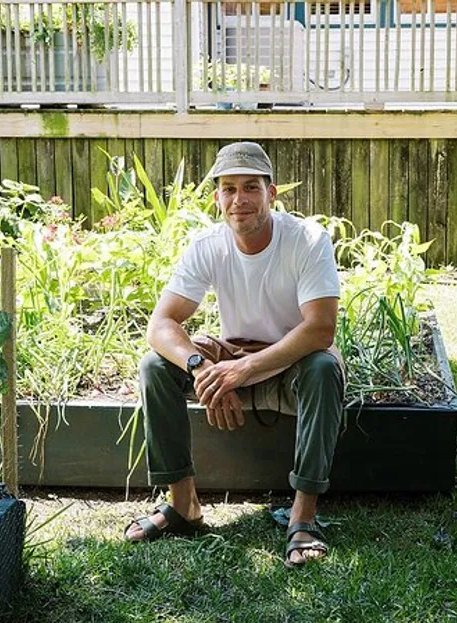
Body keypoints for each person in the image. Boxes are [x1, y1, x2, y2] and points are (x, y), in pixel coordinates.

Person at [123, 141, 344, 568]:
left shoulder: (307, 240)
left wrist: (242, 370)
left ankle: (303, 515)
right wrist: (203, 367)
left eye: (250, 188)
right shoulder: (207, 244)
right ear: (217, 197)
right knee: (156, 365)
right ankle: (183, 506)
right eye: (228, 189)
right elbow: (161, 325)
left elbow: (320, 328)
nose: (238, 200)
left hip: (292, 362)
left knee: (323, 367)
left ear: (271, 193)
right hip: (232, 357)